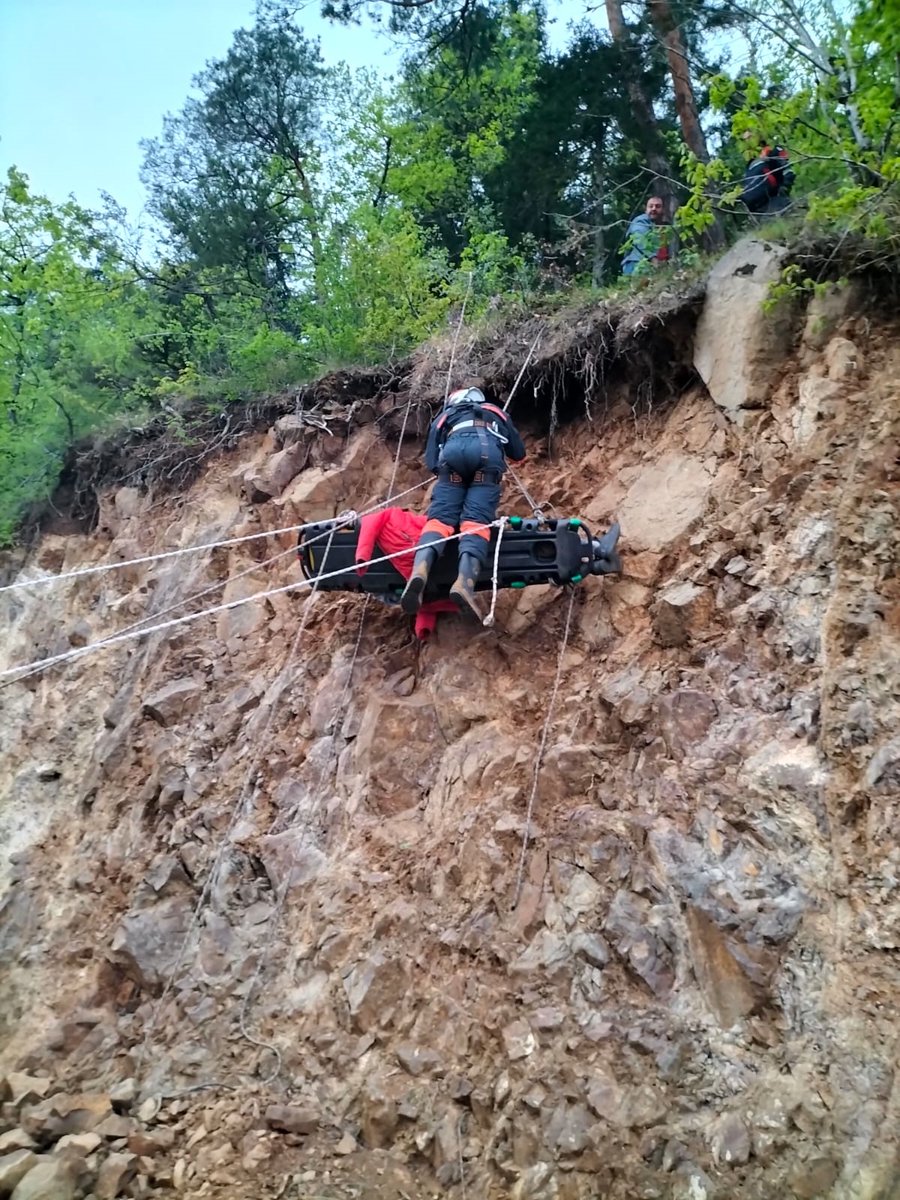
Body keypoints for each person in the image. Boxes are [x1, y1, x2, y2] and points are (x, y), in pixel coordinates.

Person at [400, 386, 526, 620]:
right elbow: (518, 453)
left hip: (452, 457)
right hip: (486, 456)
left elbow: (431, 462)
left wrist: (452, 477)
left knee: (439, 520)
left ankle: (420, 570)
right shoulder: (493, 410)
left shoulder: (444, 417)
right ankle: (464, 583)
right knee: (475, 522)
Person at [355, 507, 458, 640]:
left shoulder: (381, 518)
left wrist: (363, 558)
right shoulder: (392, 517)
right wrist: (424, 625)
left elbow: (423, 603)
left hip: (420, 577)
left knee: (397, 594)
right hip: (431, 568)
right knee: (408, 593)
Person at [621, 196, 672, 277]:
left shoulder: (666, 227)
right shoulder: (641, 221)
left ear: (663, 210)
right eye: (651, 206)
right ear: (646, 209)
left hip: (657, 269)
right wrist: (653, 259)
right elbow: (640, 239)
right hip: (637, 264)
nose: (654, 209)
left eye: (658, 206)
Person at [739, 145, 795, 216]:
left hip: (751, 204)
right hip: (767, 197)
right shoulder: (775, 152)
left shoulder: (751, 165)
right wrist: (785, 188)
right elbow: (789, 172)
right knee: (787, 211)